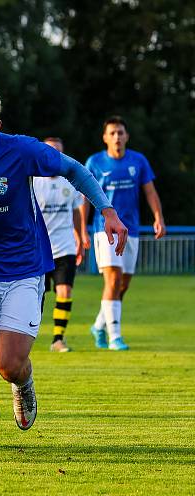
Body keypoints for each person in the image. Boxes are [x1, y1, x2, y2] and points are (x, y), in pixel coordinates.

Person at [0, 86, 128, 449]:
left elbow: (73, 170)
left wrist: (107, 210)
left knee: (9, 363)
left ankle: (23, 384)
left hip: (24, 270)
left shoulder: (22, 150)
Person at [82, 116, 166, 351]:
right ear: (105, 137)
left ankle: (99, 325)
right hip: (104, 229)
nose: (117, 137)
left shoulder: (138, 161)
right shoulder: (95, 162)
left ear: (127, 136)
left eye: (121, 132)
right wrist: (81, 231)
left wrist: (158, 217)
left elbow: (150, 191)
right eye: (113, 133)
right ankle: (114, 337)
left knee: (123, 285)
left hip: (132, 230)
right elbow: (84, 200)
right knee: (113, 279)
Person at [32, 137, 85, 352]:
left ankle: (58, 339)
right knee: (37, 297)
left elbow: (76, 212)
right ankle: (27, 337)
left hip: (65, 247)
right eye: (50, 151)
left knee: (65, 291)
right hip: (39, 249)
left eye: (58, 152)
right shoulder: (34, 181)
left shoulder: (69, 182)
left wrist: (81, 237)